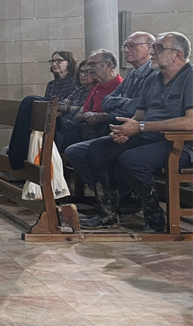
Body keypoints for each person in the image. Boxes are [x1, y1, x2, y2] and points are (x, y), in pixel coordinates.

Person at [65, 32, 192, 232]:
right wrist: (127, 129)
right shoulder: (153, 79)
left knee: (132, 159)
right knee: (98, 149)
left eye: (158, 48)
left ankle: (154, 218)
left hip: (180, 143)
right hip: (148, 136)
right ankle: (108, 213)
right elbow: (139, 114)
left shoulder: (189, 78)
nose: (152, 52)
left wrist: (139, 128)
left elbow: (190, 122)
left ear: (177, 54)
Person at [100, 31, 157, 118]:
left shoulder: (156, 73)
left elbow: (138, 107)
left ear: (149, 48)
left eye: (131, 45)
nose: (126, 50)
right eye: (125, 46)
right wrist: (127, 102)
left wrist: (113, 111)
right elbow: (106, 101)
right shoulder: (131, 75)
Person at [72, 49, 123, 139]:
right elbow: (78, 115)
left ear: (108, 65)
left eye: (93, 64)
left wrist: (99, 117)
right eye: (89, 65)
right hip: (85, 129)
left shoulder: (121, 87)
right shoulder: (97, 87)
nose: (89, 69)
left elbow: (121, 116)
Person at [54, 59, 95, 151]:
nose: (82, 75)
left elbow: (82, 111)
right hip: (66, 122)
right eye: (81, 72)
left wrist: (69, 107)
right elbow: (61, 104)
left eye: (87, 72)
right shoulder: (80, 90)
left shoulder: (96, 91)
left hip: (78, 126)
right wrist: (71, 108)